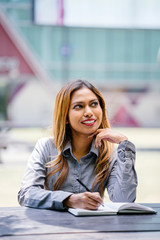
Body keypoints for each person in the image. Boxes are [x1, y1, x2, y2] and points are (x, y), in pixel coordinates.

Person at [18, 80, 138, 211]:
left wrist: (124, 144)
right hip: (53, 228)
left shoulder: (111, 155)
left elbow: (124, 201)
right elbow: (26, 194)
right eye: (78, 106)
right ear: (65, 116)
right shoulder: (46, 147)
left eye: (94, 104)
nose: (88, 112)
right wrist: (68, 200)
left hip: (95, 228)